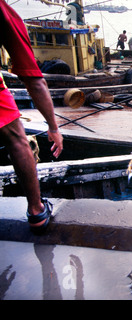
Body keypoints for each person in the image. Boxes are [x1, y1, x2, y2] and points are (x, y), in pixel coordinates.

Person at [0, 2, 63, 233]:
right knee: (17, 139)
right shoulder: (3, 11)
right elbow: (34, 80)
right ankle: (36, 211)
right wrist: (53, 127)